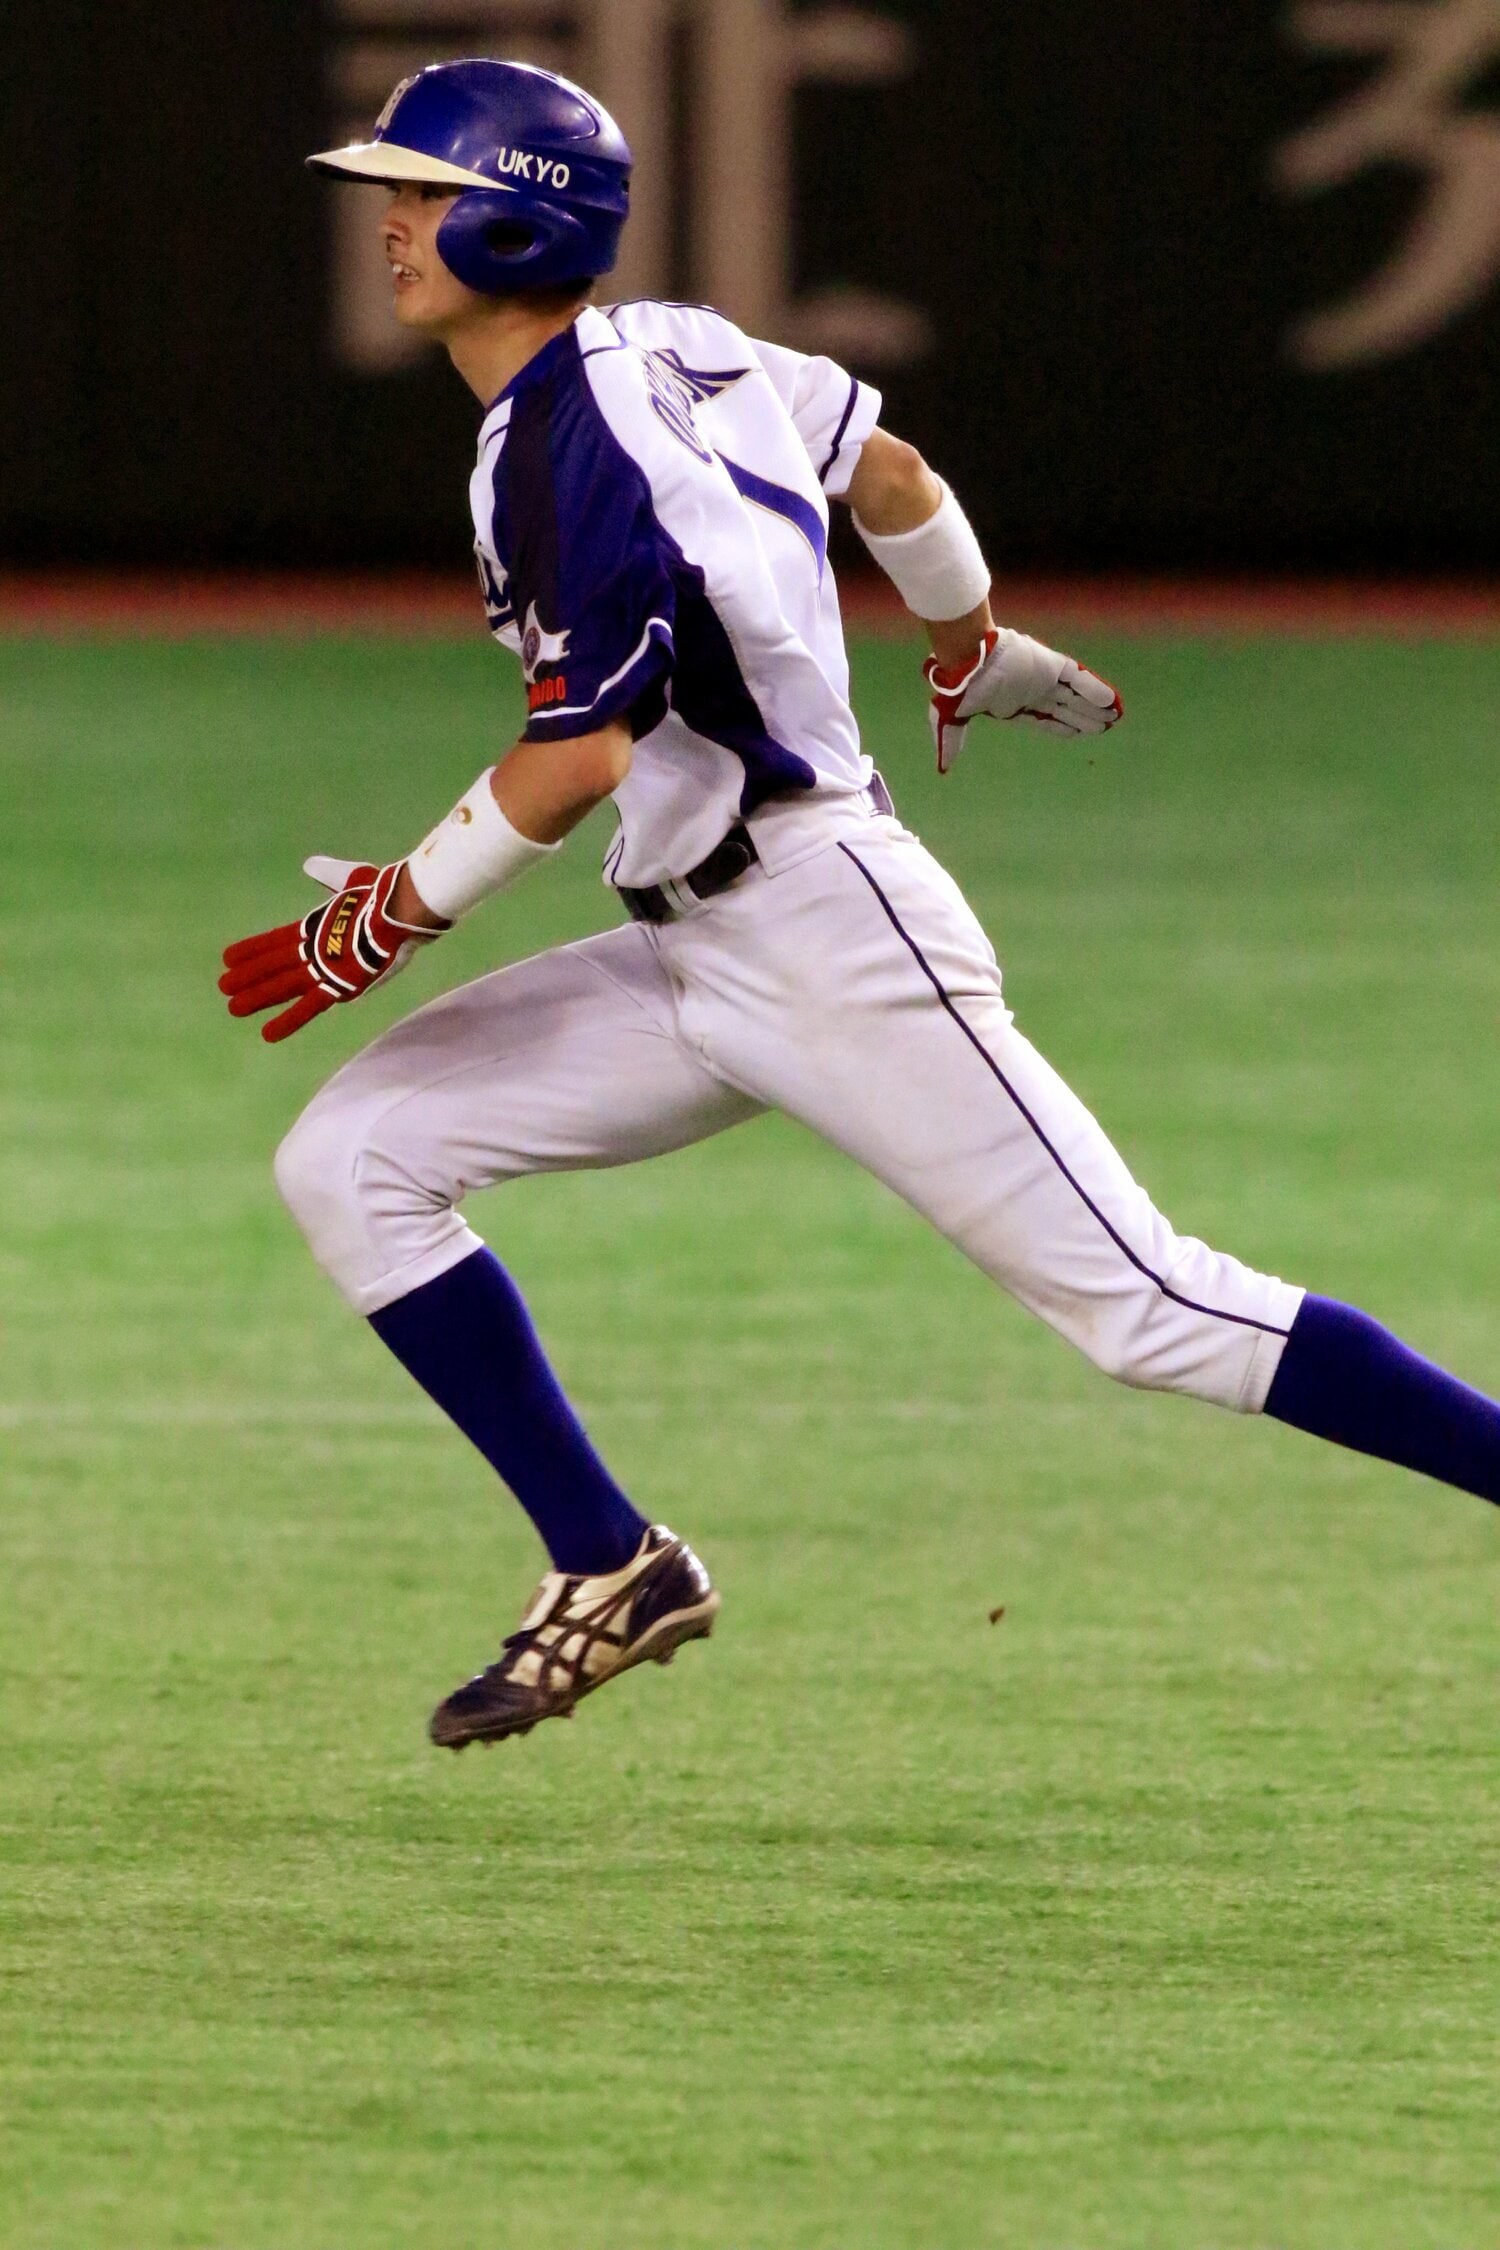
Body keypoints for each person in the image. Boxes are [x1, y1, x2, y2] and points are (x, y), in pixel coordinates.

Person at [222, 59, 1498, 1751]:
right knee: (353, 1158)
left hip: (827, 929)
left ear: (523, 211)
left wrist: (389, 914)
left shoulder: (567, 442)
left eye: (424, 190)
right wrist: (962, 630)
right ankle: (613, 1563)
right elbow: (887, 473)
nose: (389, 222)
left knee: (1155, 1309)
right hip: (699, 943)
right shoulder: (679, 345)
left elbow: (580, 757)